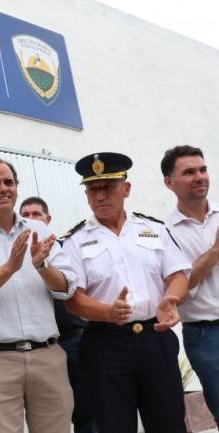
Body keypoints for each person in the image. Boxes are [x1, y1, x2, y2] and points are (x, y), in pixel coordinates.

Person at [62, 152, 189, 433]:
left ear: (126, 189)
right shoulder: (75, 241)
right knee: (114, 426)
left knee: (169, 422)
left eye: (107, 187)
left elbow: (178, 275)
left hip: (155, 337)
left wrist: (172, 299)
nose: (100, 196)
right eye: (93, 190)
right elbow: (74, 299)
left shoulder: (153, 229)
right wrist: (106, 312)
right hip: (105, 344)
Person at [0, 157, 76, 433]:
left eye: (9, 182)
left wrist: (42, 266)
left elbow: (67, 286)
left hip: (47, 357)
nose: (3, 188)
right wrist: (9, 268)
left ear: (17, 187)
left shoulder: (40, 231)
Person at [20, 197, 97, 433]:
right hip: (39, 347)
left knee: (87, 411)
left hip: (73, 339)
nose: (32, 220)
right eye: (26, 216)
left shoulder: (65, 249)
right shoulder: (17, 257)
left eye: (37, 214)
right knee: (51, 416)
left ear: (48, 219)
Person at [162, 145, 219, 423]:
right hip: (207, 335)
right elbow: (181, 285)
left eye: (203, 169)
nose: (200, 177)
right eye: (189, 172)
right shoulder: (165, 233)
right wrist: (215, 252)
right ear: (169, 183)